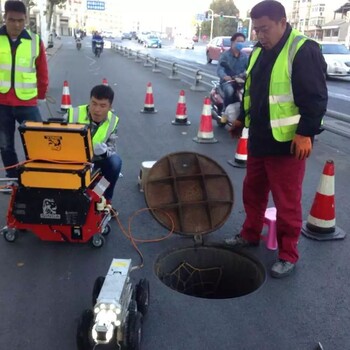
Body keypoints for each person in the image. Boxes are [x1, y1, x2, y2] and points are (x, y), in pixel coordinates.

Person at [224, 0, 328, 278]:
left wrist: (305, 133)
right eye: (256, 30)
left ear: (283, 22)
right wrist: (241, 121)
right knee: (253, 192)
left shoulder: (303, 50)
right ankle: (250, 234)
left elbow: (316, 98)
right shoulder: (259, 51)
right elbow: (253, 92)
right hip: (259, 139)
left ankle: (287, 253)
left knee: (287, 202)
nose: (260, 35)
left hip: (288, 144)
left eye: (265, 29)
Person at [0, 0, 49, 181]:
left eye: (21, 20)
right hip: (1, 103)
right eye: (12, 20)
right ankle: (12, 178)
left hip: (27, 103)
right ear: (5, 18)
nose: (17, 24)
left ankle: (34, 176)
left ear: (26, 19)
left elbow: (42, 71)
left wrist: (42, 94)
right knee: (5, 145)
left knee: (36, 142)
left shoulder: (35, 41)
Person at [65, 85, 122, 206]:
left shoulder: (113, 121)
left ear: (110, 107)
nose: (97, 109)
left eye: (102, 106)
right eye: (94, 103)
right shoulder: (73, 114)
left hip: (97, 158)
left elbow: (112, 147)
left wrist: (105, 151)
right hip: (73, 158)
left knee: (115, 162)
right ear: (89, 101)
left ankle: (102, 198)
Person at [217, 33, 248, 109]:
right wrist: (225, 76)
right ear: (232, 42)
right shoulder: (225, 55)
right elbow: (220, 69)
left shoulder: (245, 56)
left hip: (241, 81)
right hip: (228, 82)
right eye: (238, 41)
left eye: (242, 42)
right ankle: (226, 111)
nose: (240, 43)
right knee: (229, 91)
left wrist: (243, 74)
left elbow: (248, 69)